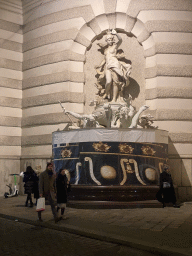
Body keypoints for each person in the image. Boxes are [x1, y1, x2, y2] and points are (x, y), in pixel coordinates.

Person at [95, 29, 132, 102]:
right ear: (106, 41)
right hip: (108, 66)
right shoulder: (105, 50)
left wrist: (116, 34)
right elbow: (105, 59)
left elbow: (120, 40)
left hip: (115, 65)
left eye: (111, 39)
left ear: (112, 40)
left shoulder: (115, 46)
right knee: (108, 81)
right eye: (108, 40)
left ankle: (114, 99)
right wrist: (99, 66)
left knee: (115, 82)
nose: (110, 41)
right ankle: (106, 92)